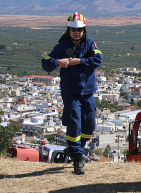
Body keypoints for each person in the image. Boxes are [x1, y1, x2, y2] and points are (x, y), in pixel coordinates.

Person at [41, 13, 103, 175]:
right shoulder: (62, 47)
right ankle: (77, 158)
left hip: (88, 91)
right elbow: (46, 63)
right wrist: (57, 62)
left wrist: (80, 61)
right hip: (71, 92)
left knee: (89, 124)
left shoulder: (89, 44)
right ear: (69, 30)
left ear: (84, 30)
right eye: (74, 29)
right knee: (74, 121)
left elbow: (98, 60)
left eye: (80, 29)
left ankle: (77, 149)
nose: (77, 32)